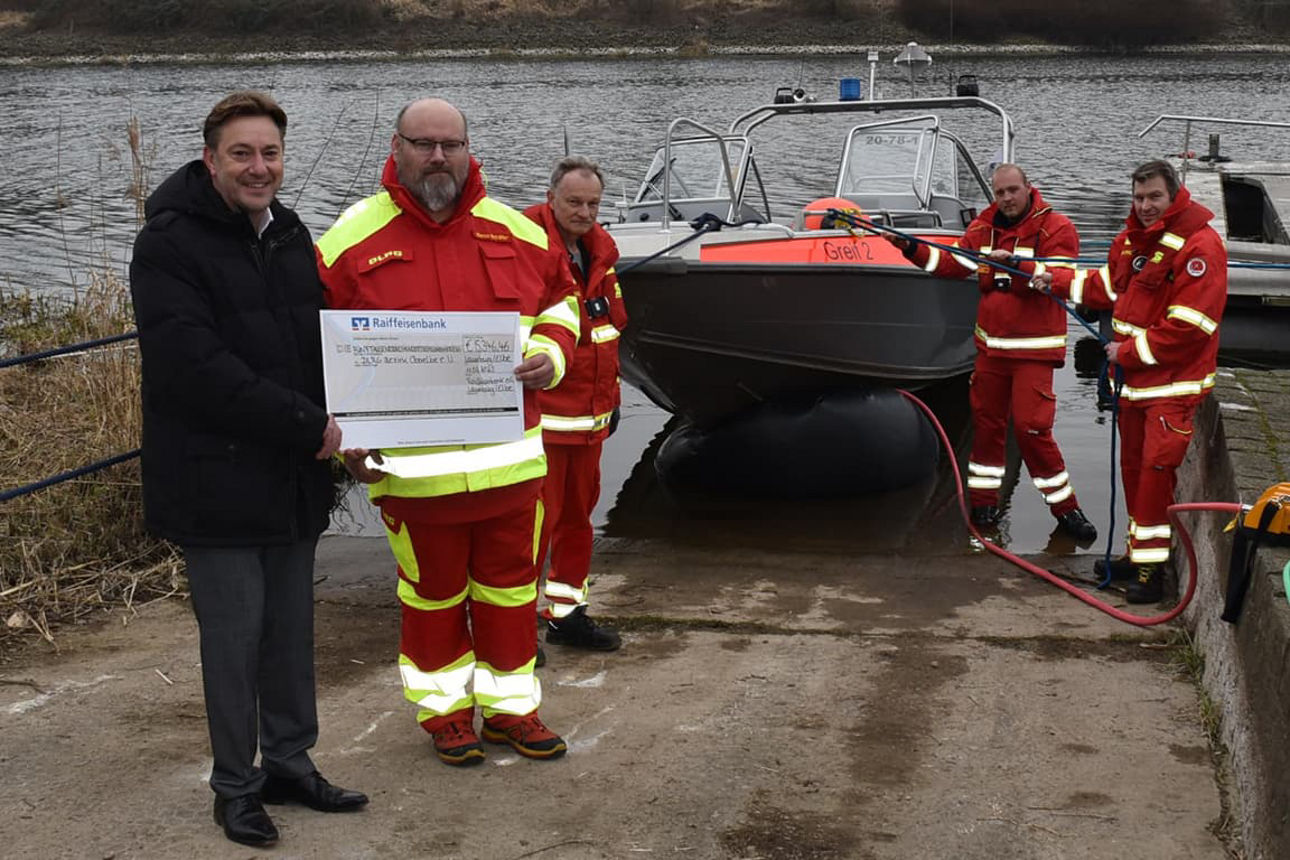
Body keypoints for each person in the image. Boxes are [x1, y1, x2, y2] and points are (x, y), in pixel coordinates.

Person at [129, 91, 368, 849]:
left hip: (291, 479)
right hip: (214, 481)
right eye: (242, 154)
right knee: (234, 641)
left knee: (291, 633)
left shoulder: (292, 234)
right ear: (210, 159)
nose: (259, 167)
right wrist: (313, 427)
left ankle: (291, 764)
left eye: (269, 153)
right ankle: (235, 787)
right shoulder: (168, 243)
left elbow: (318, 348)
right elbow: (194, 369)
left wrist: (360, 420)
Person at [316, 98, 580, 767]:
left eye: (451, 144)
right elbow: (314, 344)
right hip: (412, 479)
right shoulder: (349, 241)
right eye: (424, 143)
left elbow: (562, 304)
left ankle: (513, 711)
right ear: (397, 146)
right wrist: (342, 436)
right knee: (432, 604)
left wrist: (551, 355)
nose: (439, 157)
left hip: (514, 471)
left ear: (469, 149)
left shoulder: (516, 231)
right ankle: (446, 716)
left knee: (513, 597)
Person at [1033, 160, 1226, 602]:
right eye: (1139, 198)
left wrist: (1128, 353)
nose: (1145, 206)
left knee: (1155, 478)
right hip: (1135, 388)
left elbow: (1190, 326)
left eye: (1154, 197)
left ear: (1175, 195)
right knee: (1134, 475)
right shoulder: (1131, 241)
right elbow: (1107, 286)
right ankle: (1137, 555)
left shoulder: (1200, 247)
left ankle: (1152, 573)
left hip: (1170, 390)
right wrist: (1055, 281)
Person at [883, 164, 1098, 542]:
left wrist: (1015, 265)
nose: (1007, 199)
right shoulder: (982, 228)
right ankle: (984, 505)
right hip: (990, 352)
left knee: (1032, 430)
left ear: (1029, 188)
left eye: (1013, 190)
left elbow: (1060, 278)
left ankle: (1066, 510)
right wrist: (911, 247)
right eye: (1000, 193)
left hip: (1033, 352)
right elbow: (949, 263)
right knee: (986, 428)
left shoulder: (1057, 228)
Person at [523, 156, 627, 656]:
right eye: (575, 202)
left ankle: (566, 614)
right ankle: (514, 626)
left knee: (577, 523)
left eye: (593, 204)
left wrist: (614, 400)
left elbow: (609, 335)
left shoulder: (600, 255)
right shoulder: (523, 248)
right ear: (551, 198)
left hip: (589, 421)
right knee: (530, 530)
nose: (585, 212)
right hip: (541, 423)